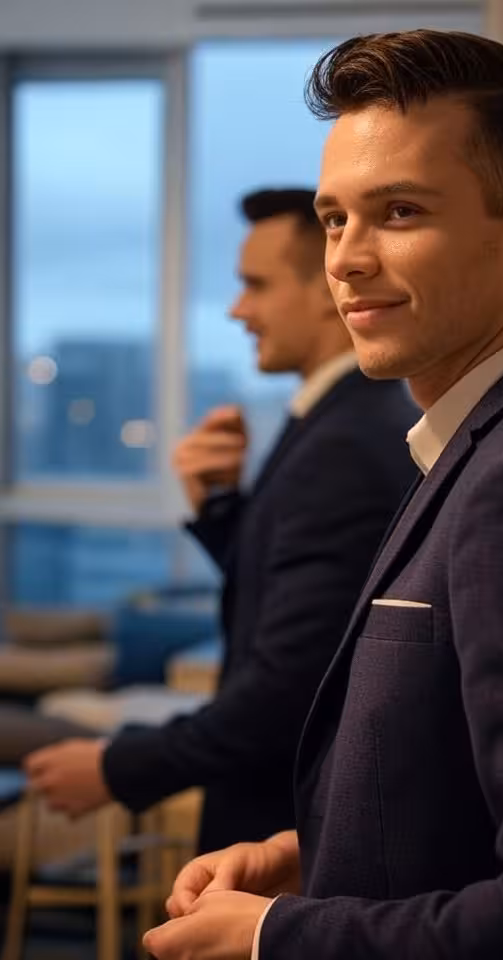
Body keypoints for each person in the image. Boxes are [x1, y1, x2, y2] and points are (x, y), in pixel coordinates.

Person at [144, 30, 503, 960]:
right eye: (336, 219)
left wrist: (280, 937)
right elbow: (486, 800)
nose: (348, 260)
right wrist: (319, 855)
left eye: (400, 211)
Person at [23, 188, 418, 854]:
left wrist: (121, 767)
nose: (238, 309)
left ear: (328, 287)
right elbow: (298, 601)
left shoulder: (345, 440)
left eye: (255, 286)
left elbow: (290, 687)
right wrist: (222, 507)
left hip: (279, 830)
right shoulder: (339, 419)